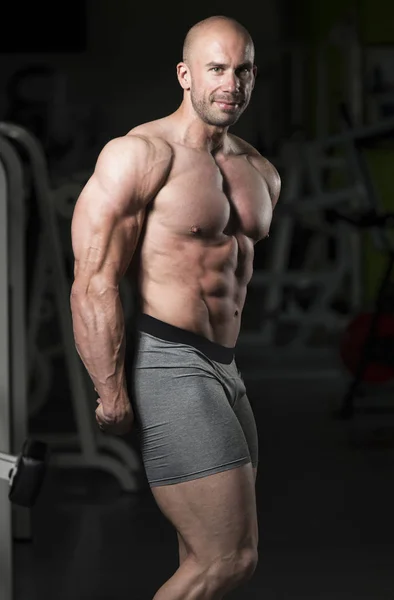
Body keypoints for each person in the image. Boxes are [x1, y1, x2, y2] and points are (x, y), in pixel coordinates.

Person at [70, 14, 281, 600]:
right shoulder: (141, 156)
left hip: (226, 370)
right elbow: (94, 279)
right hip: (168, 362)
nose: (230, 84)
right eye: (216, 69)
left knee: (199, 555)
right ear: (186, 75)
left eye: (242, 70)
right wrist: (109, 389)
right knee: (230, 557)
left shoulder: (259, 171)